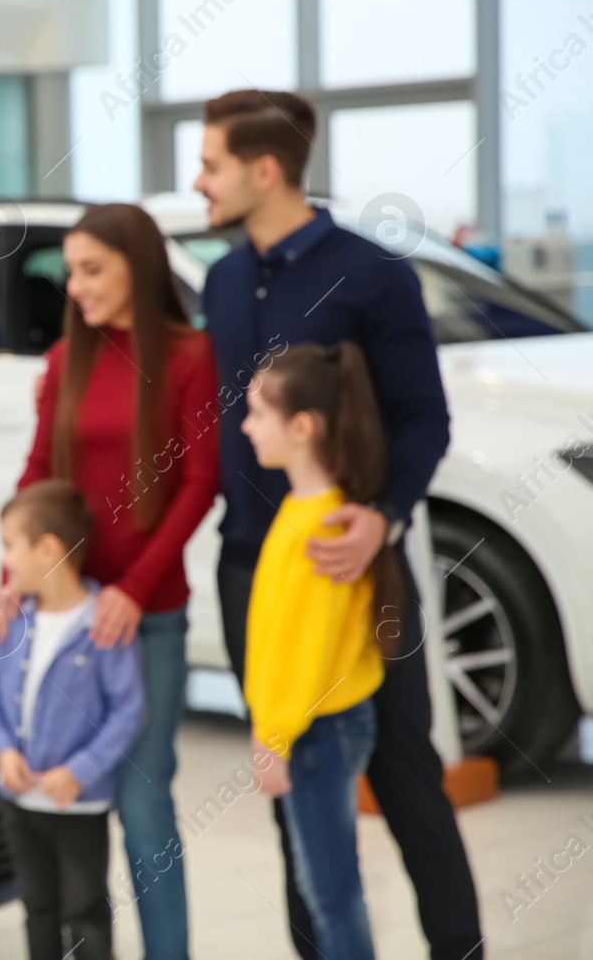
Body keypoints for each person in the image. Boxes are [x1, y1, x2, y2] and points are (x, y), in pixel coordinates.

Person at [193, 88, 482, 959]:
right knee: (295, 794)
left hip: (367, 576)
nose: (197, 182)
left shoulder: (374, 273)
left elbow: (423, 419)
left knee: (407, 784)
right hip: (255, 572)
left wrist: (381, 519)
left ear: (265, 169)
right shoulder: (223, 278)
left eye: (210, 165)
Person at [10, 202, 219, 959]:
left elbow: (200, 483)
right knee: (66, 796)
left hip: (146, 617)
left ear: (141, 265)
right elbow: (41, 471)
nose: (77, 286)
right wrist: (14, 572)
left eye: (93, 269)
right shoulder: (70, 359)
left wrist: (132, 587)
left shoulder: (193, 356)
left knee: (142, 798)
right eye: (70, 271)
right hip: (65, 616)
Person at [243, 341, 398, 960]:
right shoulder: (307, 507)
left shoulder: (326, 528)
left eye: (257, 413)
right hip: (313, 727)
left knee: (331, 893)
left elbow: (307, 651)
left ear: (301, 428)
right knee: (324, 887)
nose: (245, 425)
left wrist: (274, 733)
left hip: (315, 731)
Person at [0, 480, 144, 960]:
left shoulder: (104, 627)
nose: (5, 561)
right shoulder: (11, 622)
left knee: (85, 909)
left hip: (77, 806)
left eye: (10, 546)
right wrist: (1, 752)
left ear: (48, 549)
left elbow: (127, 711)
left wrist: (79, 773)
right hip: (18, 802)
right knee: (37, 907)